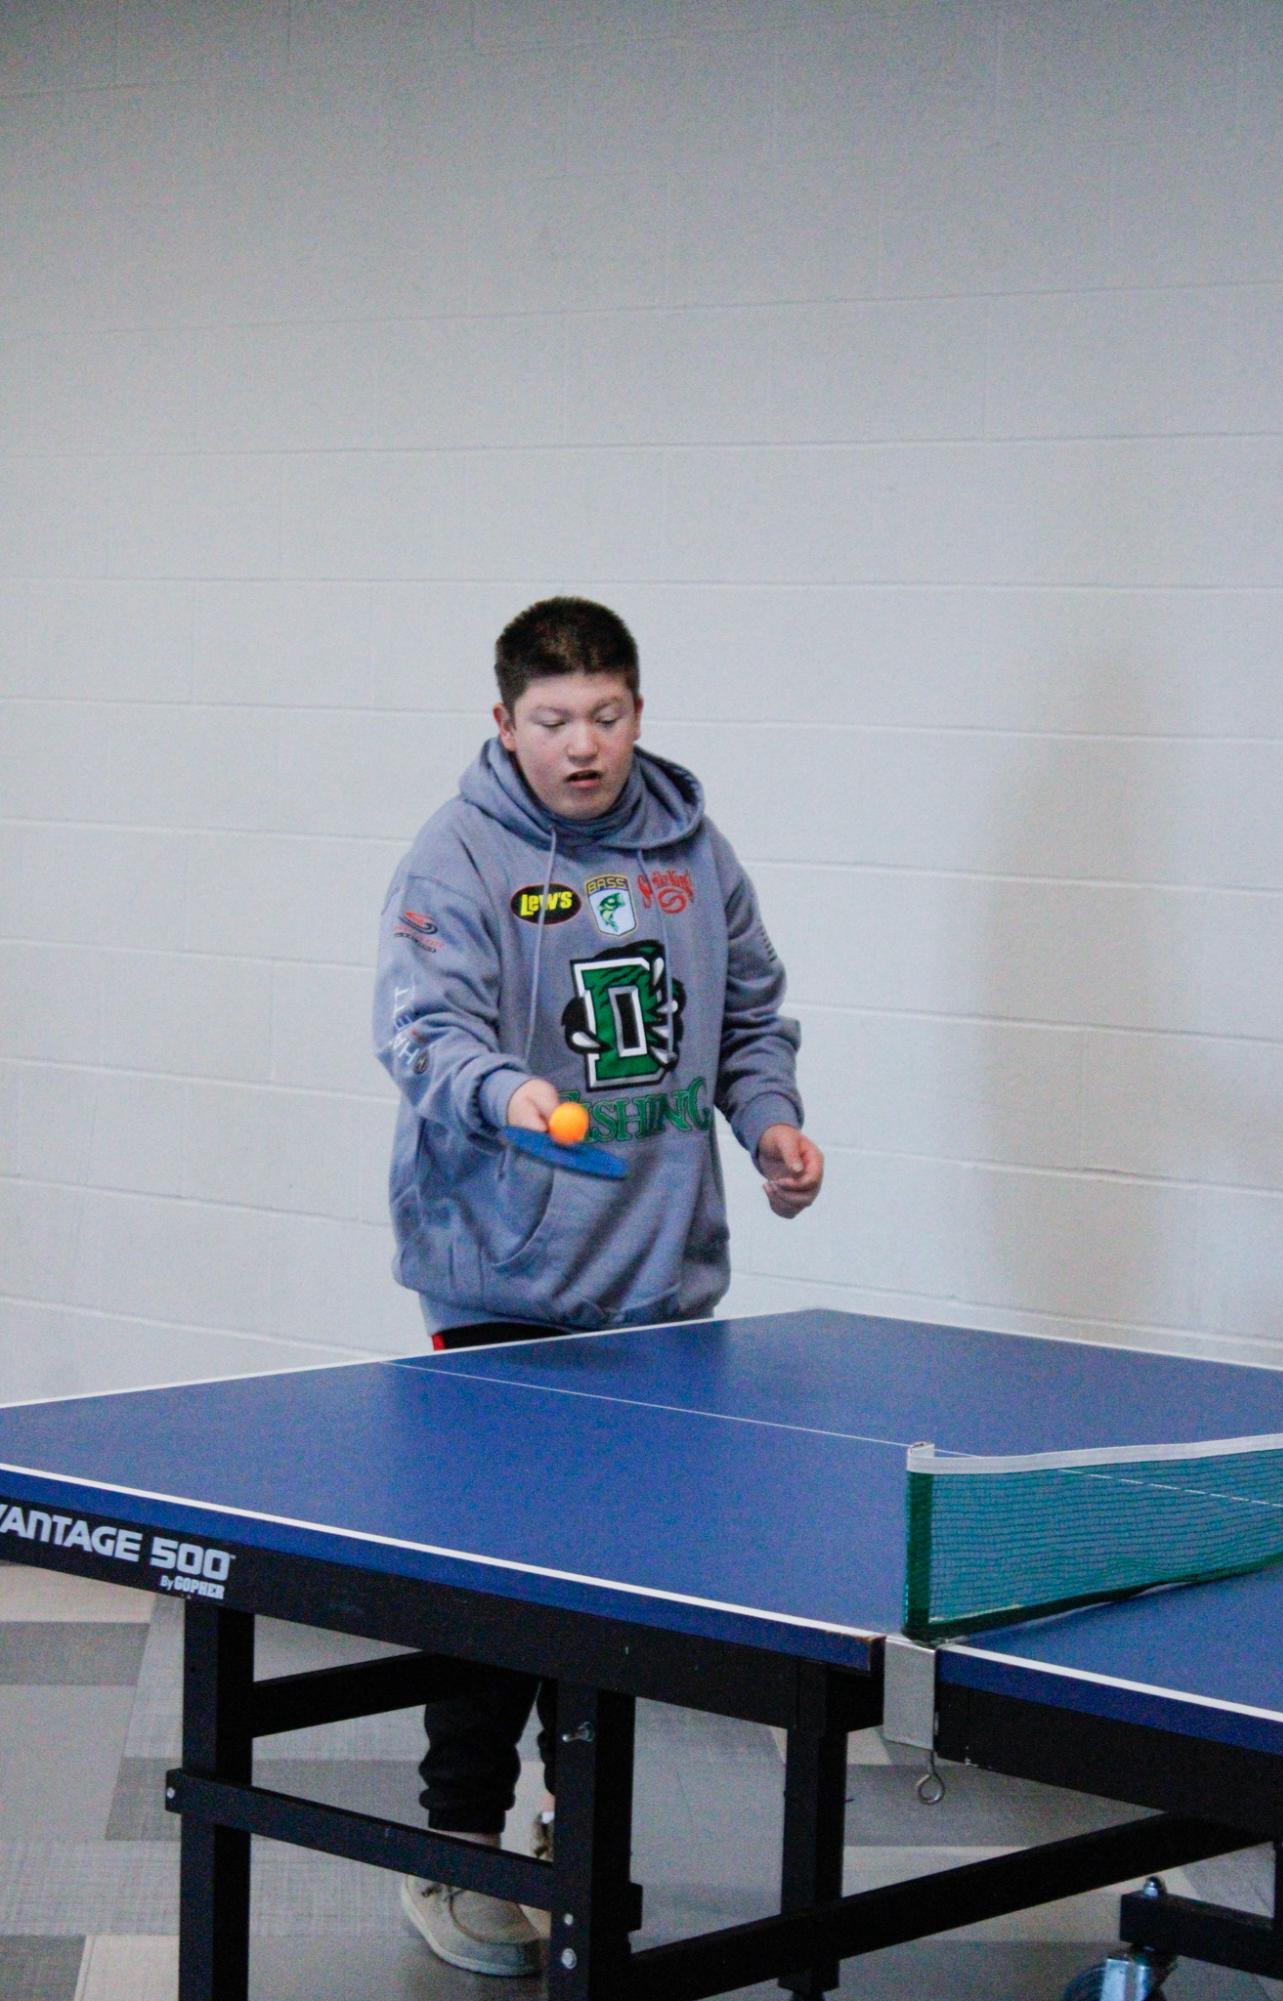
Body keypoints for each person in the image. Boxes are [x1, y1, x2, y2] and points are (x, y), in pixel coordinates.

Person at [372, 596, 824, 1976]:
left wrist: (769, 1125)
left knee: (617, 1598)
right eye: (554, 720)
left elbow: (749, 1013)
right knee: (497, 1592)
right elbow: (420, 1028)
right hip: (507, 1278)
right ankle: (454, 1857)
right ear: (502, 722)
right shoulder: (455, 856)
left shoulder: (691, 850)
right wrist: (509, 1096)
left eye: (608, 714)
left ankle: (577, 1841)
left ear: (638, 712)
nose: (584, 745)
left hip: (658, 1286)